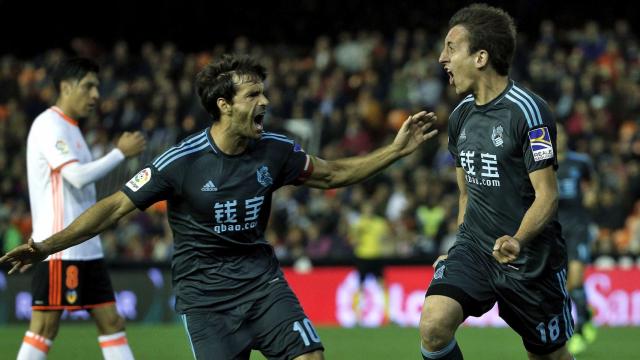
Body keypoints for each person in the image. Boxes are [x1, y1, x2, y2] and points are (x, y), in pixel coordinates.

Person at [2, 54, 438, 360]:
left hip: (263, 286)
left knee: (311, 356)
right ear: (224, 105)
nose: (264, 102)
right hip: (206, 299)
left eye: (262, 93)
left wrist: (395, 151)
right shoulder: (180, 162)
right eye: (252, 95)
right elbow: (113, 208)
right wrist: (45, 246)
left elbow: (334, 174)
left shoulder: (275, 150)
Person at [420, 4, 574, 360]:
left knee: (550, 355)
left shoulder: (530, 112)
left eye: (451, 47)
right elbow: (465, 193)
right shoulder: (460, 117)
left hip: (530, 260)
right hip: (474, 251)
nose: (442, 58)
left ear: (480, 57)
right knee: (433, 325)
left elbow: (547, 196)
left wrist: (518, 240)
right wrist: (459, 246)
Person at [18, 57, 146, 360]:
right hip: (62, 248)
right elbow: (75, 177)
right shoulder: (49, 124)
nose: (95, 95)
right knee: (44, 328)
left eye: (97, 88)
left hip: (87, 247)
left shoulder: (71, 129)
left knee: (112, 322)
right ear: (65, 86)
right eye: (89, 86)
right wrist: (119, 154)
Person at [556, 124, 598, 355]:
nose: (558, 138)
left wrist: (591, 195)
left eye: (561, 134)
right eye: (555, 134)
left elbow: (593, 182)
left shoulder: (580, 161)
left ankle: (581, 327)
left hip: (578, 227)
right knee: (564, 284)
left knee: (575, 278)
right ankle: (584, 315)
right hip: (554, 230)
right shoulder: (543, 163)